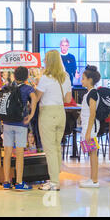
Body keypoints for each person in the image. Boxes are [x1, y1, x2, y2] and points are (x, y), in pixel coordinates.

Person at [0, 66, 38, 191]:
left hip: (7, 123)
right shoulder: (28, 88)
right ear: (27, 77)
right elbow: (34, 98)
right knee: (19, 153)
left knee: (7, 152)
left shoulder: (7, 86)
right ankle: (19, 182)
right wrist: (31, 114)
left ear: (14, 76)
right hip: (21, 124)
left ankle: (6, 182)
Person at [35, 50, 72, 191]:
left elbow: (37, 97)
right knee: (57, 148)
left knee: (50, 149)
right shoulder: (66, 77)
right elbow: (68, 99)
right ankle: (55, 179)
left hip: (48, 114)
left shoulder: (45, 77)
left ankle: (54, 182)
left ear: (49, 61)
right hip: (61, 112)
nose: (44, 61)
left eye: (45, 59)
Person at [79, 65, 101, 188]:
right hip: (88, 126)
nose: (81, 81)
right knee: (92, 153)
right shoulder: (89, 93)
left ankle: (95, 180)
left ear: (90, 80)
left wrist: (88, 132)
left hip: (91, 127)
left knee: (93, 153)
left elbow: (93, 113)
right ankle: (92, 179)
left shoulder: (92, 93)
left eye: (83, 78)